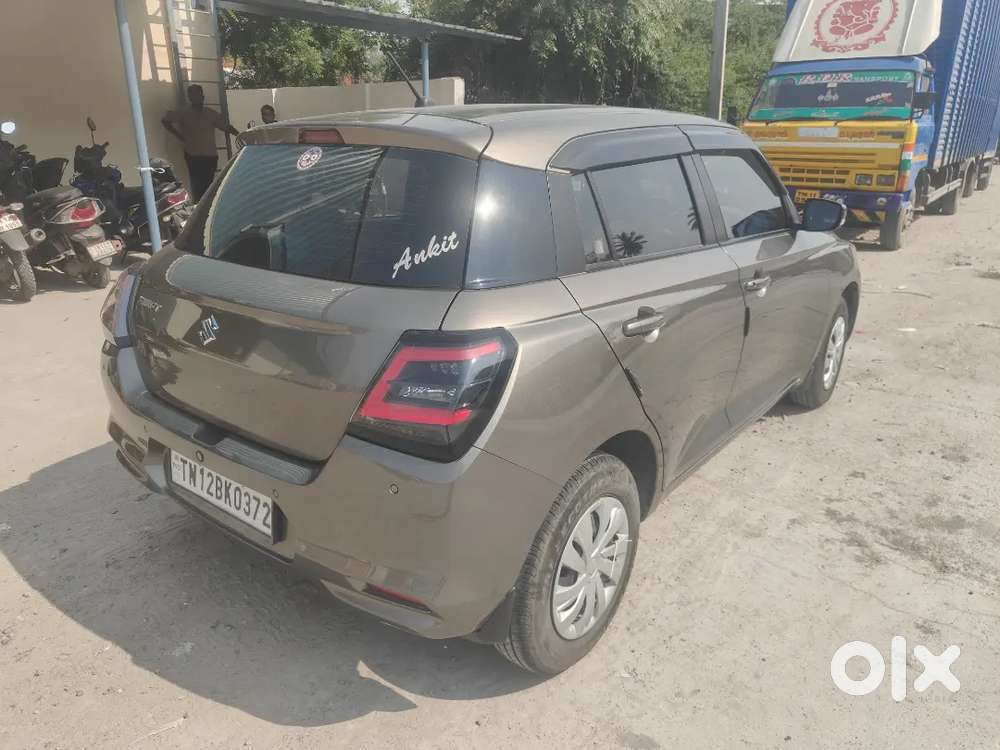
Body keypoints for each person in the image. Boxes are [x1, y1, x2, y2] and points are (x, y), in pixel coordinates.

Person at [162, 84, 240, 201]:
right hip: (193, 155)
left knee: (209, 186)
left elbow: (226, 127)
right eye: (192, 94)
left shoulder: (210, 113)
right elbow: (165, 120)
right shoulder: (184, 112)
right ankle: (198, 211)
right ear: (189, 97)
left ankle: (207, 211)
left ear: (202, 96)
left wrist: (240, 135)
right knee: (197, 186)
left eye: (197, 94)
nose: (195, 97)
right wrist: (179, 136)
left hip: (210, 156)